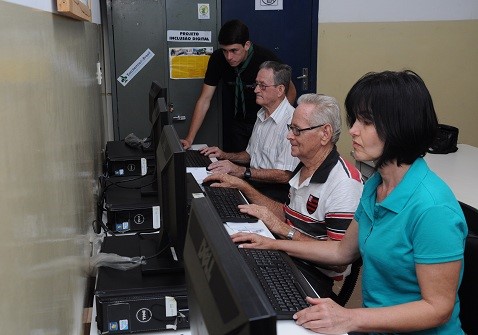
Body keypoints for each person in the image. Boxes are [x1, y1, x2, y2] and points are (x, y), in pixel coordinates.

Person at [232, 70, 468, 335]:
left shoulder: (432, 208)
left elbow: (438, 308)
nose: (353, 130)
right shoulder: (376, 186)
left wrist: (350, 318)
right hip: (374, 326)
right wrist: (271, 243)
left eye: (366, 122)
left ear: (400, 127)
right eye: (355, 119)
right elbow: (341, 252)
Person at [204, 93, 364, 298]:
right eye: (291, 128)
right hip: (288, 255)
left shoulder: (344, 183)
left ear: (325, 133)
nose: (289, 136)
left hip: (312, 277)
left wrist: (283, 230)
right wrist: (242, 186)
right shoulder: (306, 165)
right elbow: (288, 215)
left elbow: (339, 261)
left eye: (297, 130)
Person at [180, 19, 296, 152]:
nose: (229, 57)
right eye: (225, 51)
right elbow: (204, 99)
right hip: (237, 123)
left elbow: (290, 89)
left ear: (246, 45)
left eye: (234, 50)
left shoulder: (265, 58)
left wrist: (280, 121)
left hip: (262, 120)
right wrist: (190, 138)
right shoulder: (218, 59)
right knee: (237, 163)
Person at [199, 61, 300, 203]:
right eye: (256, 84)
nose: (256, 90)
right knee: (210, 192)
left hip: (275, 192)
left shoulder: (292, 122)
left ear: (280, 90)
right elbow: (250, 155)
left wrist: (242, 171)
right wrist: (223, 155)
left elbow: (285, 175)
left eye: (262, 86)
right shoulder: (262, 113)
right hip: (254, 181)